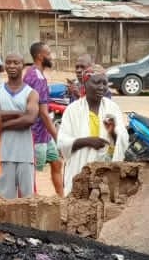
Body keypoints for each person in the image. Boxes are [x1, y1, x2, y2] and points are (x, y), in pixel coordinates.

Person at [57, 66, 129, 195]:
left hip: (105, 172)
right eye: (97, 83)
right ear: (85, 83)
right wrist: (87, 141)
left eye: (104, 83)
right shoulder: (73, 110)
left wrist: (113, 132)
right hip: (79, 170)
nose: (101, 87)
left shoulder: (112, 108)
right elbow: (62, 142)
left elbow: (123, 138)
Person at [0, 54, 39, 199]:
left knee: (28, 199)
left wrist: (3, 125)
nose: (12, 66)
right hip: (3, 154)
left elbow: (30, 119)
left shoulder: (31, 93)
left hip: (25, 155)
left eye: (16, 63)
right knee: (5, 199)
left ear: (23, 66)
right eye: (8, 63)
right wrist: (20, 114)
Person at [25, 41, 64, 198]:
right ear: (40, 56)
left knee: (56, 162)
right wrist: (57, 137)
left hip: (43, 133)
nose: (51, 57)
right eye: (49, 53)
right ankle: (31, 198)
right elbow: (43, 114)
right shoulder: (37, 78)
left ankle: (61, 197)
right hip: (37, 133)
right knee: (31, 169)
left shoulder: (35, 74)